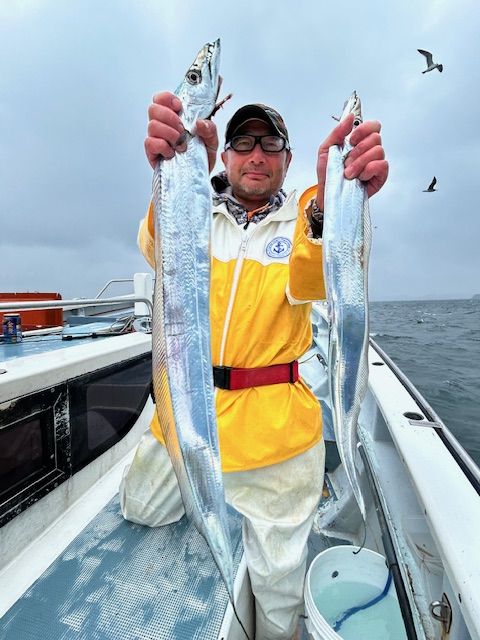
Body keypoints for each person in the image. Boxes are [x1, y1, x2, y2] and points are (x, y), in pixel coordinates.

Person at [120, 92, 388, 640]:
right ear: (224, 157)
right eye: (243, 143)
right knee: (140, 506)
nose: (256, 155)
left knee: (278, 587)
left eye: (270, 145)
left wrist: (331, 202)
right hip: (190, 412)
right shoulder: (196, 209)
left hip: (276, 429)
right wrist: (170, 172)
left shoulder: (303, 219)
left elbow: (316, 281)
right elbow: (154, 247)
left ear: (288, 160)